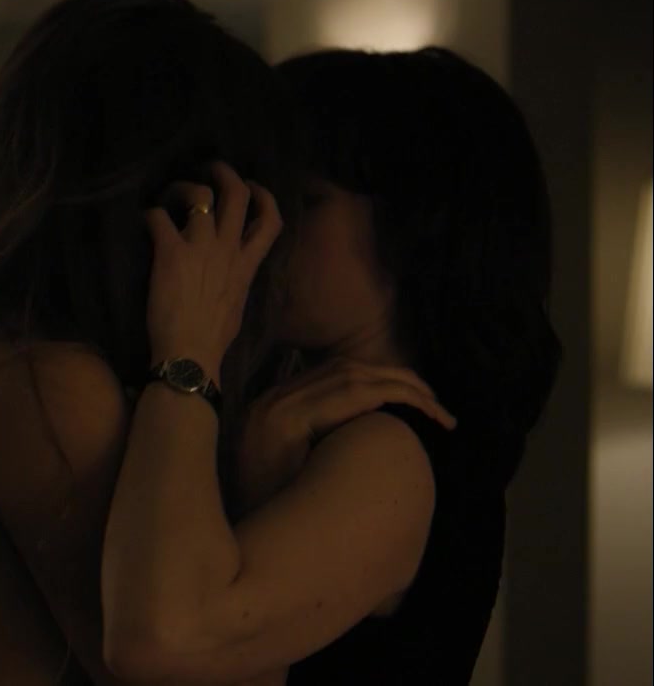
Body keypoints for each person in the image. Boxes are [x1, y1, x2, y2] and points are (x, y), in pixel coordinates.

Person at [99, 47, 561, 684]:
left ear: (415, 228)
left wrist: (186, 349)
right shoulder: (321, 422)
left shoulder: (389, 448)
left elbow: (161, 643)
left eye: (306, 199)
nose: (268, 228)